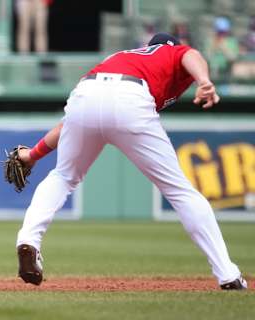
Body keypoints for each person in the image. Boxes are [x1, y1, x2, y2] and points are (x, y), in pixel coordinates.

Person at [14, 33, 247, 290]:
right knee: (179, 190)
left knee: (63, 176)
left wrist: (33, 155)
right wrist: (204, 80)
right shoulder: (170, 52)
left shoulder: (124, 57)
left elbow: (69, 123)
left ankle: (29, 241)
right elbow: (191, 54)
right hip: (130, 96)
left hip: (87, 92)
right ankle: (228, 274)